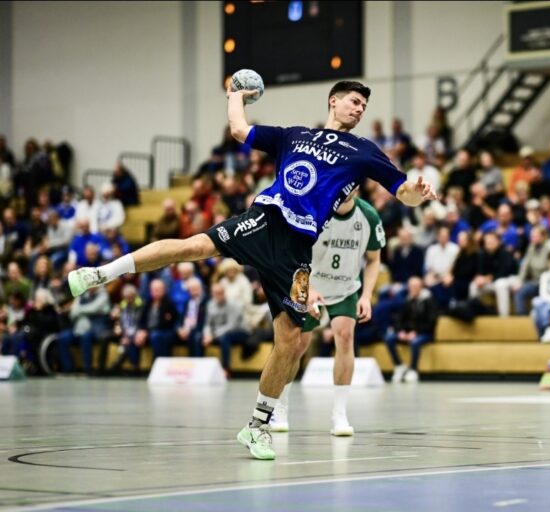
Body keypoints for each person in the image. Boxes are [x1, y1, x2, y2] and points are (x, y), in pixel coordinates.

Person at [66, 80, 436, 460]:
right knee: (193, 247)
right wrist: (235, 97)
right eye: (354, 102)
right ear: (334, 101)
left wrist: (416, 193)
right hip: (265, 221)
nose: (359, 110)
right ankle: (101, 273)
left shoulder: (363, 151)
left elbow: (401, 189)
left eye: (364, 106)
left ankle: (257, 427)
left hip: (297, 249)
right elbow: (240, 130)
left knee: (291, 342)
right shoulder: (294, 135)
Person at [271, 193, 384, 436]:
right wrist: (308, 289)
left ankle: (339, 414)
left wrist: (366, 296)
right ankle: (280, 405)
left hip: (345, 288)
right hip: (309, 284)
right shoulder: (316, 211)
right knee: (296, 345)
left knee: (344, 337)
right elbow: (295, 255)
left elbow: (374, 259)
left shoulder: (369, 216)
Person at [385, 276, 439, 383]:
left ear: (421, 287)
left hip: (425, 333)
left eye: (415, 286)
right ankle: (399, 366)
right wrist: (401, 331)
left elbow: (431, 322)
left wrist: (416, 332)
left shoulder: (429, 300)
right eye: (411, 286)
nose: (413, 289)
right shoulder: (407, 300)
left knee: (415, 342)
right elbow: (400, 319)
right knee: (389, 338)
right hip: (409, 332)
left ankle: (413, 369)